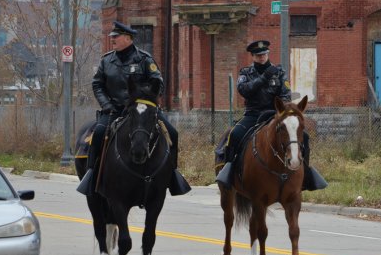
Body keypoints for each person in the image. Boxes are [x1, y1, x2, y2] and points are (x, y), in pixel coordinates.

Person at [77, 21, 191, 196]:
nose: (112, 39)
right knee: (98, 134)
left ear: (128, 38)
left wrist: (147, 99)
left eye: (116, 36)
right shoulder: (106, 61)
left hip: (143, 111)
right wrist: (107, 105)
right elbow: (97, 85)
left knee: (172, 133)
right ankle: (91, 175)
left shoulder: (144, 60)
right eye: (112, 36)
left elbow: (158, 82)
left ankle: (173, 175)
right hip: (114, 110)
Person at [216, 40, 327, 191]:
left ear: (268, 54)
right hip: (253, 114)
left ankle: (304, 174)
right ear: (253, 56)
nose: (262, 57)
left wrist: (280, 110)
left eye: (264, 54)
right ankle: (229, 172)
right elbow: (244, 90)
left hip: (275, 115)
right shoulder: (245, 73)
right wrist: (263, 78)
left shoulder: (279, 72)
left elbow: (286, 95)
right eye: (258, 55)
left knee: (304, 137)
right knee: (234, 135)